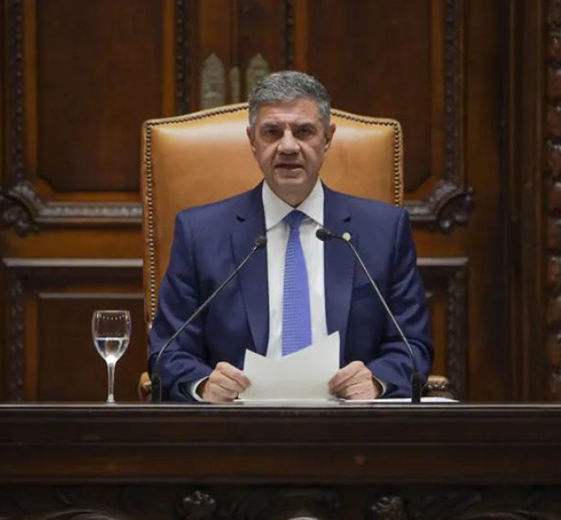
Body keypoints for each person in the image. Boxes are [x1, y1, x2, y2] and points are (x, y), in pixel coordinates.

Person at [148, 71, 432, 402]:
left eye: (303, 131)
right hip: (236, 424)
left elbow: (413, 345)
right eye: (271, 132)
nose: (287, 147)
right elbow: (167, 352)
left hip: (350, 423)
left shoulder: (383, 231)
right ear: (252, 141)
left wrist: (376, 382)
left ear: (327, 138)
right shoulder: (200, 234)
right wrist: (203, 384)